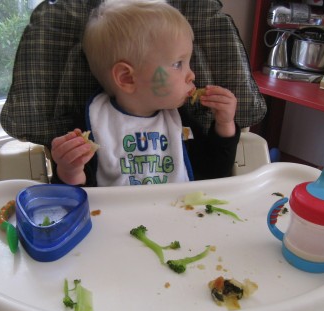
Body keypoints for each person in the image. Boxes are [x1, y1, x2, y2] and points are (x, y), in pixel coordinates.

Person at [50, 0, 240, 186]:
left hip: (181, 211)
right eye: (177, 64)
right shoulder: (91, 125)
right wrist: (70, 171)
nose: (192, 75)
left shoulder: (179, 122)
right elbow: (80, 199)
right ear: (127, 78)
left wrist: (225, 124)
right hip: (116, 215)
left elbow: (215, 173)